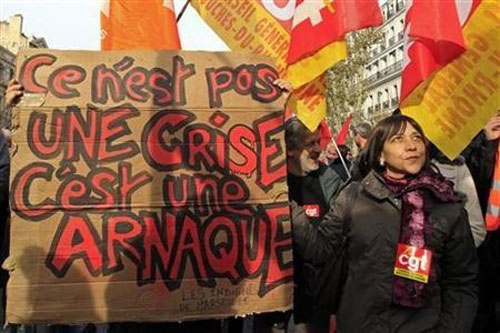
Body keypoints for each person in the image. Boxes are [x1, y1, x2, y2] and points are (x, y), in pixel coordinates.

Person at [292, 114, 478, 332]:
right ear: (380, 153)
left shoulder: (447, 206)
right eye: (398, 139)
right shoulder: (354, 196)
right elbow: (320, 250)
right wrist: (290, 210)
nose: (411, 146)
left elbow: (462, 282)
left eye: (417, 138)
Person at [429, 144, 486, 247]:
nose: (412, 145)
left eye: (416, 137)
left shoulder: (454, 166)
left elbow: (476, 228)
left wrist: (448, 253)